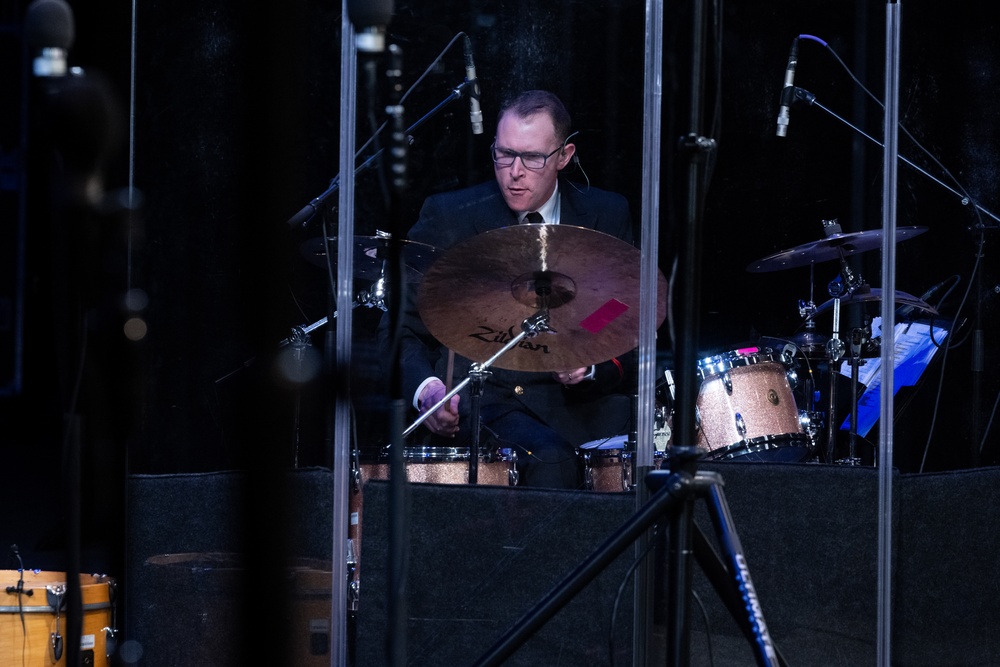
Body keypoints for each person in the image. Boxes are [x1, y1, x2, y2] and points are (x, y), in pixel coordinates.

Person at [382, 89, 637, 489]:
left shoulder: (605, 213)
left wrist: (587, 360)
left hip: (576, 404)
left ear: (564, 156)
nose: (514, 171)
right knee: (551, 461)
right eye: (504, 154)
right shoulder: (450, 217)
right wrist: (428, 391)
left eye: (532, 158)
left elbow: (618, 309)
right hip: (487, 401)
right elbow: (400, 326)